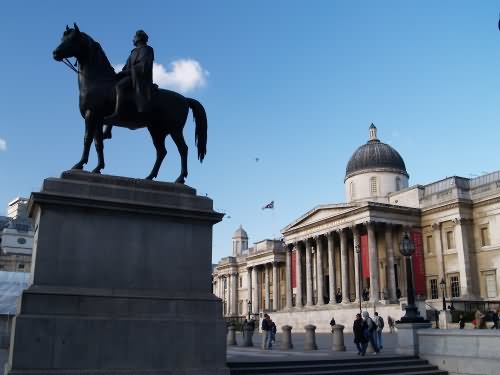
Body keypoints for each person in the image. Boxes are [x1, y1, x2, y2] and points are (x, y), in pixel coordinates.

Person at [104, 29, 155, 135]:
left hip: (140, 78)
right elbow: (127, 66)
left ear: (139, 38)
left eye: (134, 37)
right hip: (131, 75)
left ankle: (118, 113)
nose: (133, 39)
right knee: (113, 87)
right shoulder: (133, 52)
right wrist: (119, 74)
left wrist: (126, 72)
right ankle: (108, 129)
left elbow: (143, 66)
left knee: (119, 86)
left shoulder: (147, 49)